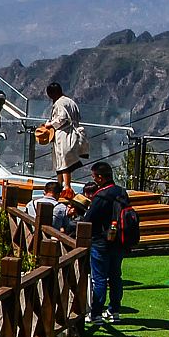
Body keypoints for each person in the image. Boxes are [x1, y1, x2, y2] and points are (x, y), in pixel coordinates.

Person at [82, 161, 129, 323]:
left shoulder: (101, 195)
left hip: (100, 241)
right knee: (116, 277)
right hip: (119, 241)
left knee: (99, 279)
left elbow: (89, 218)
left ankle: (96, 314)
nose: (93, 179)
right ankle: (114, 311)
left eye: (94, 177)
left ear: (100, 178)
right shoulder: (121, 192)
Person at [40, 81, 86, 191]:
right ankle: (60, 183)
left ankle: (66, 187)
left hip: (64, 134)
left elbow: (62, 118)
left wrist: (50, 124)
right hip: (73, 133)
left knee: (64, 161)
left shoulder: (59, 103)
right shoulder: (70, 101)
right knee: (63, 160)